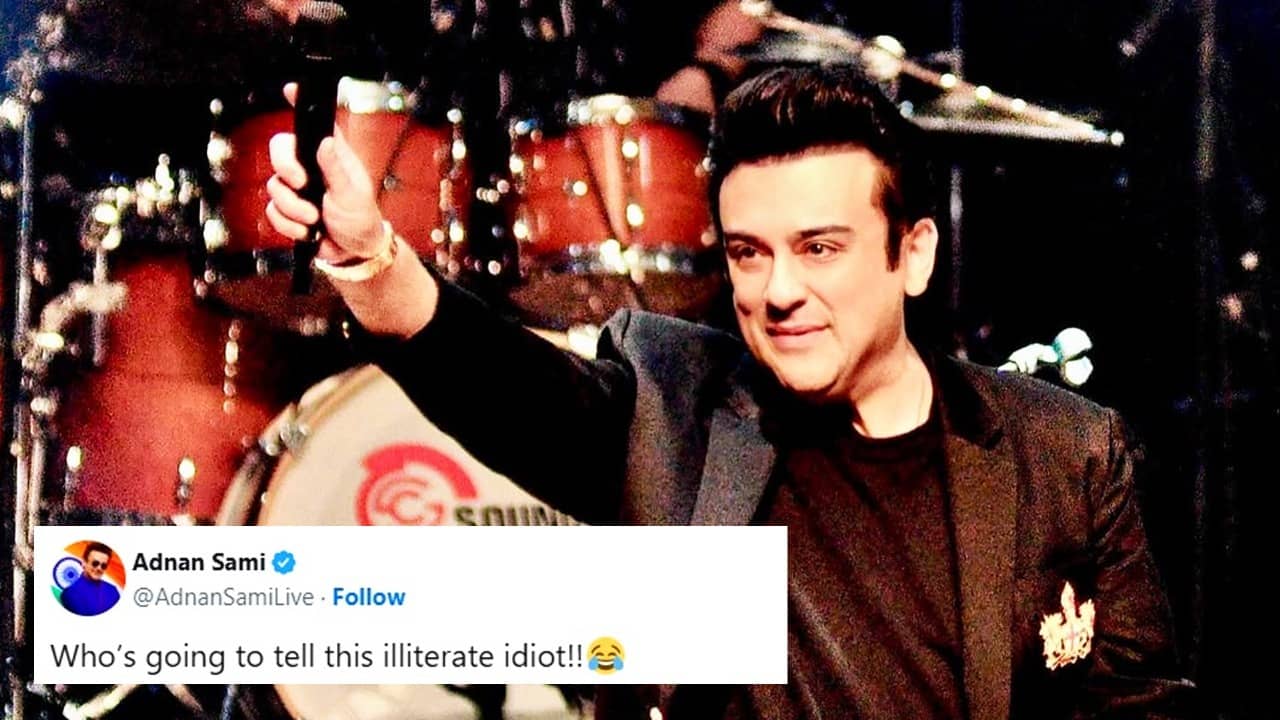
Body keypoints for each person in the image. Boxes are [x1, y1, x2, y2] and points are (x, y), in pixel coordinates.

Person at [265, 64, 1199, 718]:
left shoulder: (1064, 453)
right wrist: (372, 259)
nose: (778, 290)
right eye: (750, 253)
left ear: (912, 253)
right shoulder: (676, 414)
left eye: (819, 248)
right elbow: (506, 386)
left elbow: (1138, 705)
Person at [60, 542, 121, 617]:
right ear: (84, 563)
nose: (99, 568)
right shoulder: (70, 594)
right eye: (95, 563)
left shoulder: (113, 591)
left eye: (103, 565)